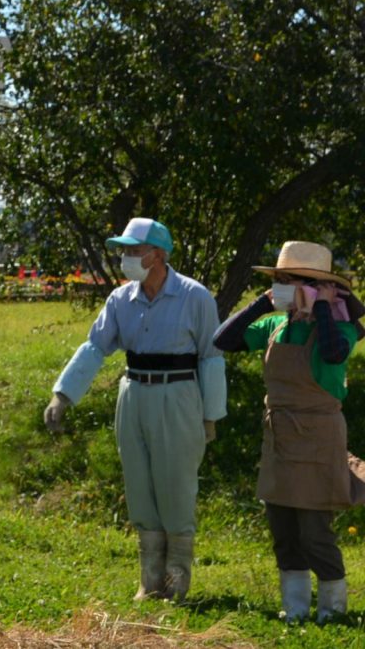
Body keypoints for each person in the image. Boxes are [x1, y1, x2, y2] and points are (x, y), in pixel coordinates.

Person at [43, 217, 226, 602]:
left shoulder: (195, 297)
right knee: (139, 484)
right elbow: (95, 347)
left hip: (178, 395)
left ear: (158, 254)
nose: (126, 257)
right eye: (124, 250)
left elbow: (211, 358)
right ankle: (149, 579)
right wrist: (63, 395)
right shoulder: (120, 298)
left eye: (133, 250)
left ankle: (177, 580)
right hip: (134, 393)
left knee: (175, 483)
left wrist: (210, 415)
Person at [213, 241, 365, 623]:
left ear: (314, 287)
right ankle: (295, 608)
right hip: (279, 436)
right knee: (282, 527)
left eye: (289, 281)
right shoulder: (274, 325)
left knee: (314, 531)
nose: (281, 286)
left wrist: (324, 310)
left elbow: (332, 353)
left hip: (319, 436)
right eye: (278, 280)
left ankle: (333, 609)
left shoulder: (341, 328)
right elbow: (223, 340)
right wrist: (263, 303)